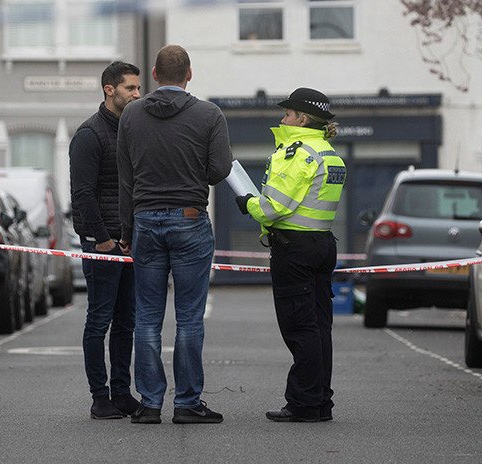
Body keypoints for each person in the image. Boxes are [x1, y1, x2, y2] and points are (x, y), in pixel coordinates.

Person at [117, 44, 233, 424]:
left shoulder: (131, 115)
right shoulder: (209, 115)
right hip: (189, 219)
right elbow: (218, 171)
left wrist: (126, 231)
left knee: (147, 318)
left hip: (146, 221)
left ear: (153, 74)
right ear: (190, 74)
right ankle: (187, 404)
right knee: (189, 318)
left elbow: (126, 180)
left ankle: (150, 404)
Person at [235, 87, 345, 422]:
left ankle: (304, 403)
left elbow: (274, 208)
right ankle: (320, 401)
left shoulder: (296, 152)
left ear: (301, 118)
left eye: (287, 114)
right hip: (322, 245)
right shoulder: (330, 153)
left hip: (294, 250)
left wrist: (247, 203)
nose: (282, 119)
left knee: (299, 328)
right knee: (319, 326)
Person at [69, 61, 142, 420]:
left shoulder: (131, 130)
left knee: (126, 321)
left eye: (138, 88)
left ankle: (122, 392)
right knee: (99, 321)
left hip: (128, 242)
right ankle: (100, 397)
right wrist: (101, 239)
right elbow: (82, 194)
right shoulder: (89, 134)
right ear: (109, 89)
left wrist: (128, 236)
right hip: (101, 244)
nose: (137, 94)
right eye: (130, 88)